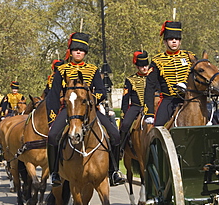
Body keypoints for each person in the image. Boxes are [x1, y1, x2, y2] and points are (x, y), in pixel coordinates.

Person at [46, 32, 125, 187]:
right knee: (53, 136)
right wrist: (52, 119)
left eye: (81, 50)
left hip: (90, 111)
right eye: (75, 49)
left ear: (85, 52)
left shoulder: (93, 69)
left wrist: (90, 100)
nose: (78, 52)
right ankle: (55, 172)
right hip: (68, 110)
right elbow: (53, 97)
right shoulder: (62, 70)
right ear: (71, 51)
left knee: (115, 135)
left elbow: (101, 91)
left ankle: (113, 171)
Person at [143, 21, 196, 126]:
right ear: (165, 42)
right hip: (169, 100)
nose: (174, 41)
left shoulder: (189, 57)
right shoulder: (157, 61)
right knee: (158, 127)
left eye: (177, 39)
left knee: (211, 120)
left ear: (180, 41)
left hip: (189, 99)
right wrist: (149, 112)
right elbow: (150, 87)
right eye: (171, 39)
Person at [120, 50, 150, 154]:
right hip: (136, 107)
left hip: (151, 107)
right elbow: (125, 98)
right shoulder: (130, 80)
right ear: (137, 66)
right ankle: (121, 148)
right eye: (142, 66)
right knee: (125, 125)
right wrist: (123, 113)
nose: (145, 68)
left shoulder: (152, 78)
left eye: (146, 65)